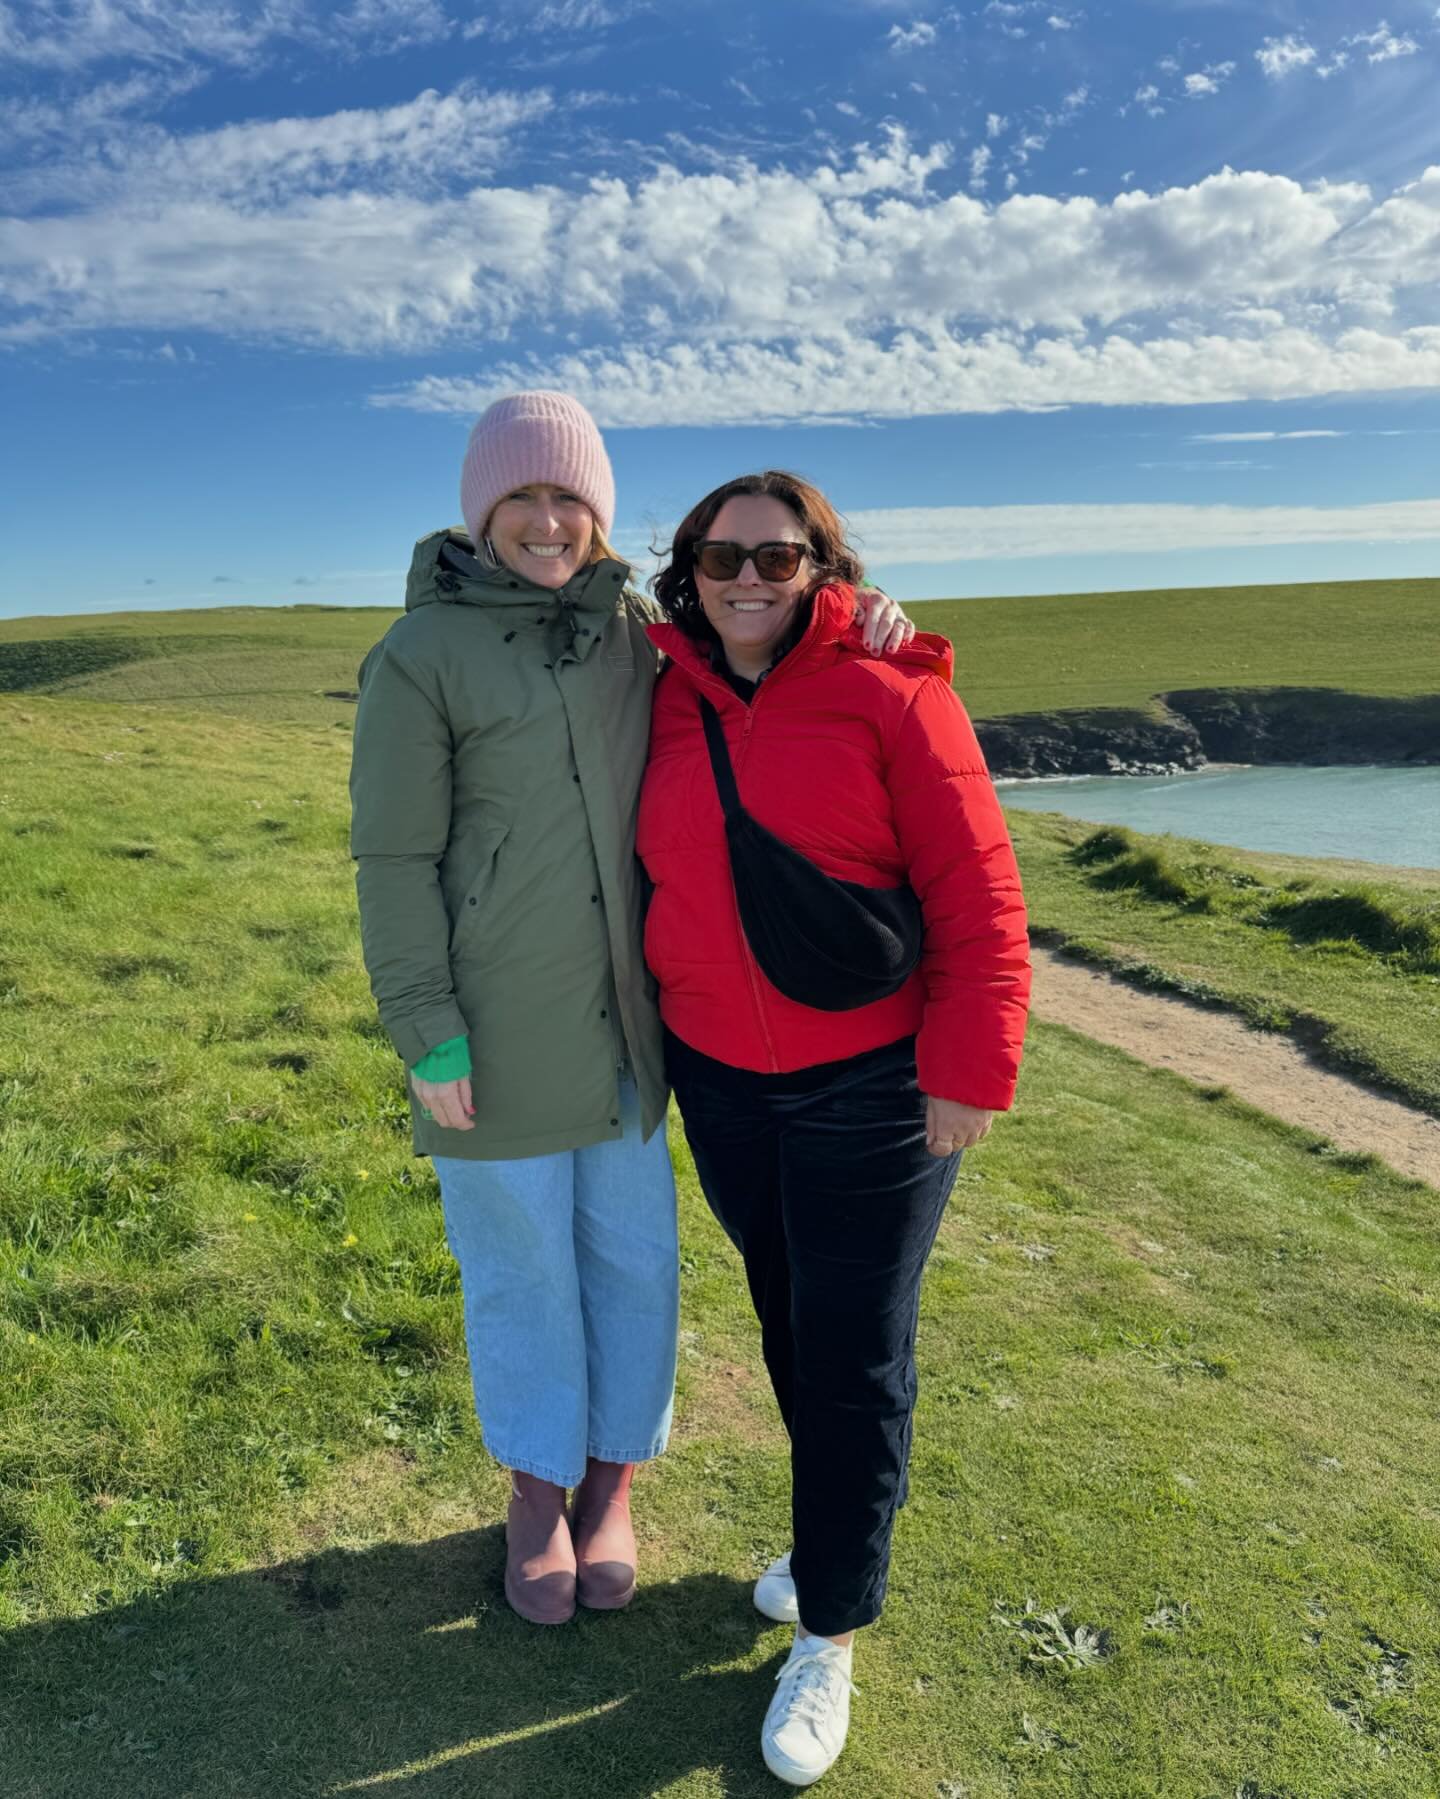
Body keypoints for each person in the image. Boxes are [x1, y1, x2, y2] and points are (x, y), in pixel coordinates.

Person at [348, 395, 914, 1627]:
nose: (548, 522)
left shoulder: (640, 634)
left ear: (599, 514)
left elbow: (765, 642)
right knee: (520, 1272)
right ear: (481, 513)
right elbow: (391, 860)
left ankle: (613, 1478)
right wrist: (422, 1022)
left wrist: (861, 616)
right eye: (521, 501)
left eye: (570, 500)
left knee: (631, 1260)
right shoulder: (420, 655)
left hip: (636, 1028)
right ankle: (537, 1490)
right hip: (490, 1028)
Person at [637, 470, 1031, 1785]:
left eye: (777, 555)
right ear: (686, 566)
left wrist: (969, 1067)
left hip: (872, 1084)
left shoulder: (895, 687)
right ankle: (825, 1545)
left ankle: (834, 1626)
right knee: (787, 1313)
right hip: (721, 1076)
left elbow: (978, 892)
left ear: (821, 567)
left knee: (857, 1349)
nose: (746, 577)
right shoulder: (658, 694)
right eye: (721, 554)